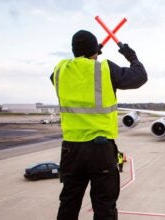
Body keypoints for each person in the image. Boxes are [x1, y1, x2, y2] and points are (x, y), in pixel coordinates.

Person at [52, 30, 147, 220]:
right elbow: (140, 76)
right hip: (99, 149)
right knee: (104, 206)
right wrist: (131, 56)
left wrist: (92, 52)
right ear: (95, 50)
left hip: (71, 149)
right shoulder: (104, 69)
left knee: (69, 203)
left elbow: (77, 67)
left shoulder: (60, 71)